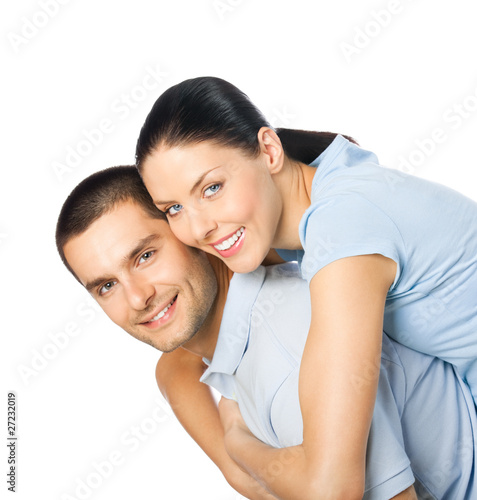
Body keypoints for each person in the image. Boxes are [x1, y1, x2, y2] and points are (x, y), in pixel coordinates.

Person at [135, 76, 477, 497]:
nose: (199, 227)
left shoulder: (343, 232)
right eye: (174, 209)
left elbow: (333, 487)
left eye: (212, 188)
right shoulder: (321, 185)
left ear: (269, 150)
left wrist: (238, 444)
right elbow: (178, 358)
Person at [56, 166, 476, 500]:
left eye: (145, 256)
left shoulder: (286, 351)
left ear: (191, 231)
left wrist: (237, 442)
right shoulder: (236, 346)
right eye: (106, 286)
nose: (137, 298)